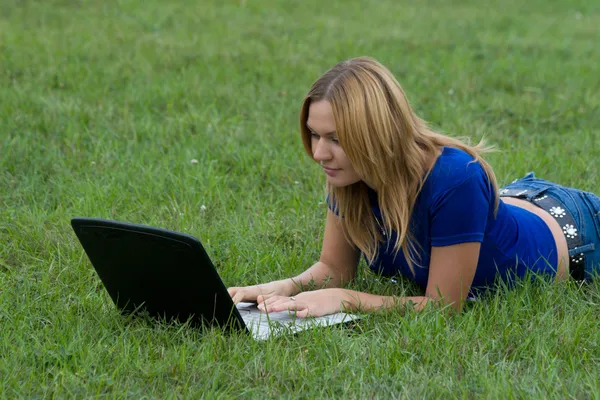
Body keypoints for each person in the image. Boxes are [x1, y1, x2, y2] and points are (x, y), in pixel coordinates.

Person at [227, 56, 600, 317]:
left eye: (336, 139)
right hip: (516, 203)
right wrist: (282, 288)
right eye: (313, 134)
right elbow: (333, 268)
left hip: (578, 228)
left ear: (376, 134)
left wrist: (348, 299)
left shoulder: (457, 177)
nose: (319, 152)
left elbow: (443, 307)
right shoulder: (349, 177)